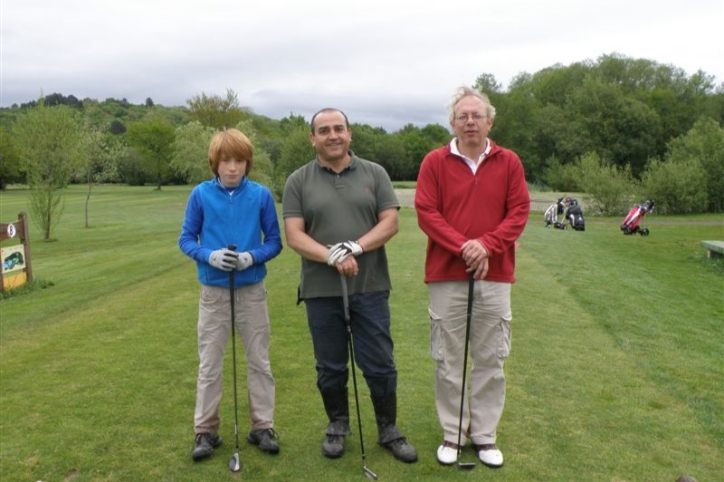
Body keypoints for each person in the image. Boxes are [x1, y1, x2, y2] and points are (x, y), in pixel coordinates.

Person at [282, 108, 417, 463]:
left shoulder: (375, 173)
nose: (332, 135)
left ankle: (388, 428)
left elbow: (389, 222)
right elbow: (294, 235)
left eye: (338, 128)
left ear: (350, 133)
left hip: (369, 286)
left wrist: (355, 246)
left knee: (380, 363)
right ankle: (337, 425)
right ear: (312, 138)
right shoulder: (299, 180)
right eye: (323, 130)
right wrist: (331, 255)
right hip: (320, 290)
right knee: (330, 365)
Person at [414, 86, 530, 468]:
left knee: (490, 357)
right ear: (452, 122)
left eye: (476, 116)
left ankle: (484, 435)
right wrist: (466, 246)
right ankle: (453, 432)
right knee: (448, 357)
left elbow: (518, 213)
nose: (469, 122)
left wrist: (486, 246)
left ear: (489, 121)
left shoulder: (509, 161)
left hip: (495, 275)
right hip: (447, 274)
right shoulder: (434, 161)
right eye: (462, 116)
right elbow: (427, 212)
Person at [179, 128, 283, 461]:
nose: (233, 167)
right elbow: (187, 239)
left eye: (239, 160)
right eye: (226, 160)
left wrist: (252, 256)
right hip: (213, 292)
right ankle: (205, 431)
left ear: (247, 163)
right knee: (209, 365)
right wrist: (209, 255)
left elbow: (274, 242)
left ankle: (262, 426)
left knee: (260, 362)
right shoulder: (200, 194)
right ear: (216, 162)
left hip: (251, 290)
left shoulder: (261, 195)